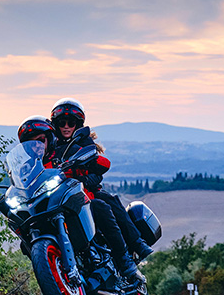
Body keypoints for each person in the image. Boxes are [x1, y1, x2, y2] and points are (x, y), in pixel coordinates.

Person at [47, 98, 154, 261]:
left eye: (71, 122)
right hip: (58, 194)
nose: (66, 126)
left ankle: (135, 245)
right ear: (56, 124)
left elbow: (100, 165)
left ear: (78, 124)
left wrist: (86, 178)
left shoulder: (84, 142)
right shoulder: (50, 147)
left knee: (107, 201)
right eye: (62, 122)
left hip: (85, 191)